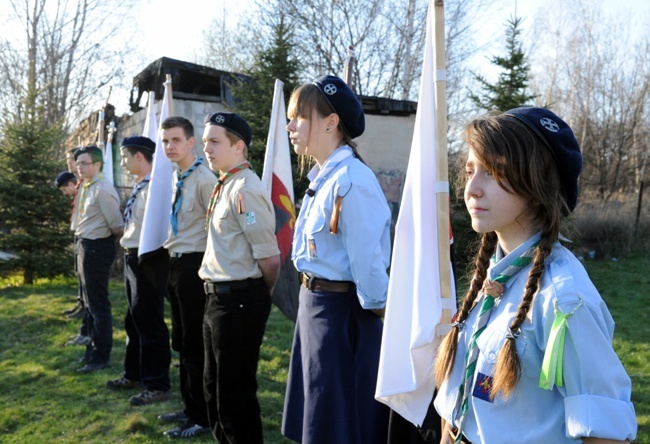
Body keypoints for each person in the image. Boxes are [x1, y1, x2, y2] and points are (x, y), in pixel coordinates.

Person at [433, 107, 637, 443]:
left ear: (535, 184)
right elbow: (460, 406)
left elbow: (605, 434)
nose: (471, 189)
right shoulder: (492, 277)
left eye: (492, 172)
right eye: (470, 171)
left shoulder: (563, 299)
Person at [281, 75, 391, 444]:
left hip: (341, 317)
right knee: (319, 417)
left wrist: (381, 312)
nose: (290, 126)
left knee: (338, 424)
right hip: (316, 307)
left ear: (331, 122)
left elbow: (369, 265)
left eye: (299, 117)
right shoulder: (324, 177)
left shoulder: (351, 180)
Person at [200, 111, 280, 443]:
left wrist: (254, 295)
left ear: (238, 146)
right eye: (205, 142)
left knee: (234, 394)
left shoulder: (245, 188)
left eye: (214, 142)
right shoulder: (226, 183)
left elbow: (270, 259)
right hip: (217, 298)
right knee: (213, 387)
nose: (207, 149)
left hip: (239, 300)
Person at [158, 116, 215, 439]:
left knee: (195, 345)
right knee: (181, 341)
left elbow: (217, 231)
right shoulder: (178, 177)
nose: (169, 147)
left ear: (191, 142)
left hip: (195, 267)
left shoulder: (204, 179)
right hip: (176, 265)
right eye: (165, 141)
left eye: (176, 140)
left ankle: (202, 415)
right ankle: (187, 405)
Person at [104, 136, 172, 406]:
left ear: (139, 157)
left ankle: (157, 384)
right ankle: (134, 373)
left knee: (150, 322)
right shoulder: (140, 185)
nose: (122, 162)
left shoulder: (157, 188)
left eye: (125, 157)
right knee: (133, 320)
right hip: (132, 257)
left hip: (148, 259)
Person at [73, 145, 123, 373]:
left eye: (84, 163)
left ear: (98, 164)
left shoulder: (103, 188)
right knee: (88, 302)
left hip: (97, 247)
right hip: (84, 244)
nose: (79, 167)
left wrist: (98, 244)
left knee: (98, 304)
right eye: (78, 163)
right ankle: (91, 350)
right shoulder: (86, 185)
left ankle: (101, 355)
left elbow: (116, 225)